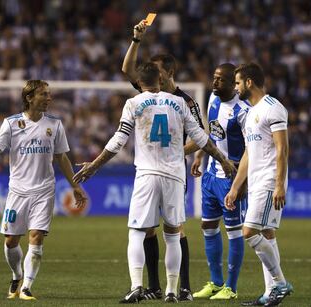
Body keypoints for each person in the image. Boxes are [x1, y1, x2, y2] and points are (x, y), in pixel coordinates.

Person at [73, 62, 236, 303]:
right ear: (160, 80)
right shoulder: (179, 103)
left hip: (147, 174)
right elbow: (201, 138)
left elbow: (118, 140)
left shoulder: (134, 103)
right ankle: (172, 291)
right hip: (174, 176)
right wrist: (223, 160)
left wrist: (94, 166)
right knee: (173, 234)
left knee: (137, 232)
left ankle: (137, 287)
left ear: (139, 83)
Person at [0, 80, 87, 300]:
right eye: (44, 94)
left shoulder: (55, 125)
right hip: (18, 191)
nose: (49, 98)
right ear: (29, 98)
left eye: (49, 94)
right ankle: (17, 275)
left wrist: (75, 185)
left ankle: (27, 286)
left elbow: (62, 157)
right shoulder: (11, 124)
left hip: (44, 190)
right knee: (11, 240)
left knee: (36, 236)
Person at [121, 19, 204, 301]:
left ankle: (183, 287)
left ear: (168, 72)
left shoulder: (185, 101)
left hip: (171, 170)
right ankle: (154, 287)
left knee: (176, 228)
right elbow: (127, 69)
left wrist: (179, 152)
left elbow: (200, 135)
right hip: (151, 170)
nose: (150, 74)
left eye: (156, 70)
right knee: (147, 231)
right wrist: (136, 40)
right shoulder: (147, 95)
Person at [225, 63, 293, 306]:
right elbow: (248, 154)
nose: (235, 87)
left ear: (249, 82)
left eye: (237, 82)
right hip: (255, 182)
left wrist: (279, 185)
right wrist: (235, 187)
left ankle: (280, 283)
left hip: (268, 181)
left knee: (249, 231)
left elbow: (282, 148)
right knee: (266, 233)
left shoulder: (273, 108)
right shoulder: (250, 113)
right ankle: (269, 293)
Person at [189, 63, 250, 300]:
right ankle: (215, 282)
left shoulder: (242, 111)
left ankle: (230, 288)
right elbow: (210, 132)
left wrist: (241, 183)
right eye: (213, 78)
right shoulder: (213, 101)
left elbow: (251, 148)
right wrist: (198, 155)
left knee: (234, 232)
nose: (214, 82)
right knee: (208, 227)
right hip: (211, 175)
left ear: (232, 84)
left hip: (231, 178)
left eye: (220, 79)